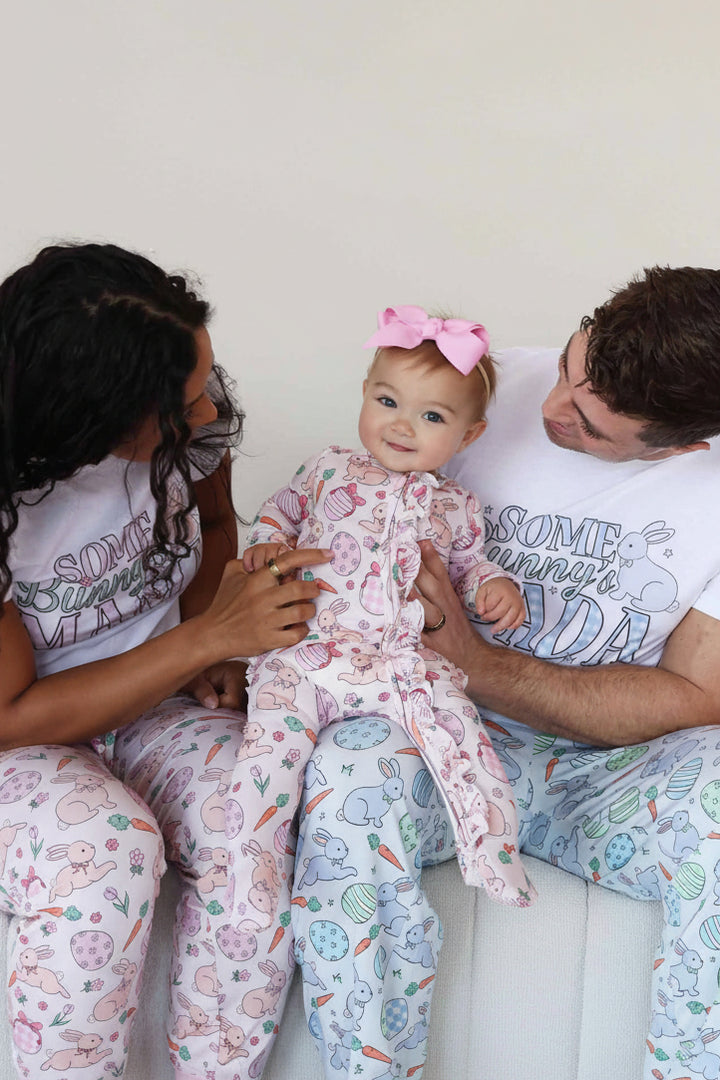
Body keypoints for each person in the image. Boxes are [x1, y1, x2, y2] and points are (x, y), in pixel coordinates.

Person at [294, 266, 720, 1080]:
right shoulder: (476, 390)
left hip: (608, 771)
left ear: (686, 443)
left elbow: (698, 696)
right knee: (347, 779)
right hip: (429, 730)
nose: (552, 407)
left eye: (591, 426)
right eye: (568, 367)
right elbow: (342, 514)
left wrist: (479, 662)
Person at [0, 241, 330, 1080]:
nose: (206, 409)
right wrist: (210, 637)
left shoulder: (197, 406)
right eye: (180, 405)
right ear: (91, 416)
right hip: (27, 739)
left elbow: (214, 528)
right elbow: (13, 716)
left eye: (204, 383)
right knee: (109, 847)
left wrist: (210, 646)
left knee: (255, 810)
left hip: (157, 707)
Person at [240, 305, 534, 1074]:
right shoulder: (328, 467)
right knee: (268, 751)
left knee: (457, 734)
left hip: (398, 662)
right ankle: (251, 856)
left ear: (466, 438)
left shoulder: (454, 504)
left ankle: (489, 848)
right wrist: (267, 542)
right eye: (387, 400)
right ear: (365, 393)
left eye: (431, 415)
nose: (402, 425)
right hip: (309, 654)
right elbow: (278, 512)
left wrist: (498, 587)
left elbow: (473, 567)